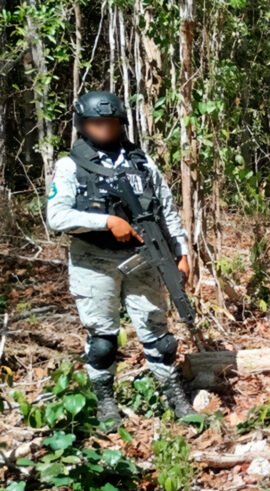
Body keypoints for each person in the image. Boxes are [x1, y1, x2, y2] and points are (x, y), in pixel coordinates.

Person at [47, 91, 196, 429]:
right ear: (83, 125)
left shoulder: (141, 162)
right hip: (93, 260)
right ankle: (105, 402)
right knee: (102, 340)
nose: (104, 128)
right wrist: (106, 222)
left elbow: (167, 209)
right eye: (96, 123)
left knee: (159, 334)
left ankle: (174, 395)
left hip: (144, 257)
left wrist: (182, 251)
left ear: (121, 123)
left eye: (110, 122)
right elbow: (56, 216)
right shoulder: (70, 166)